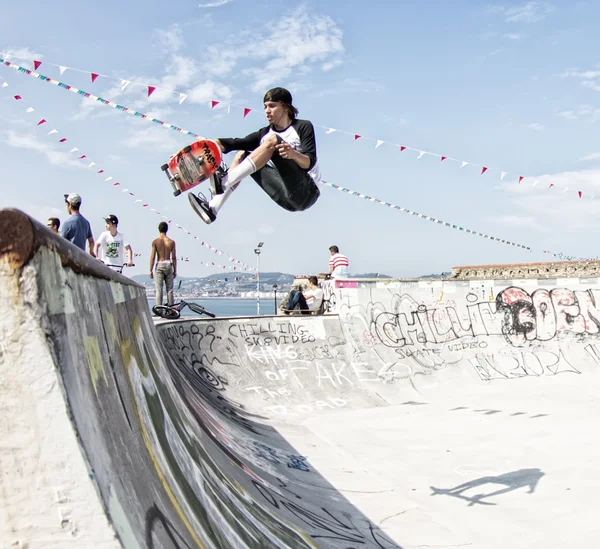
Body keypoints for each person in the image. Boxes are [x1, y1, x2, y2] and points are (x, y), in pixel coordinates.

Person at [189, 87, 321, 224]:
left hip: (307, 191)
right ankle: (213, 207)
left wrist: (293, 154)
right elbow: (233, 143)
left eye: (272, 106)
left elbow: (309, 163)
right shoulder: (264, 133)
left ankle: (225, 181)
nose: (267, 111)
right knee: (243, 154)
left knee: (273, 140)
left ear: (286, 107)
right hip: (287, 200)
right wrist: (199, 148)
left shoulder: (302, 126)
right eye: (265, 107)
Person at [149, 221, 177, 306]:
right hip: (168, 264)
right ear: (167, 230)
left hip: (160, 264)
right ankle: (171, 308)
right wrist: (175, 270)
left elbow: (153, 256)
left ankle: (159, 309)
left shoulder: (155, 242)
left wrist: (150, 270)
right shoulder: (171, 242)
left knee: (159, 289)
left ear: (159, 229)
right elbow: (174, 257)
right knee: (170, 289)